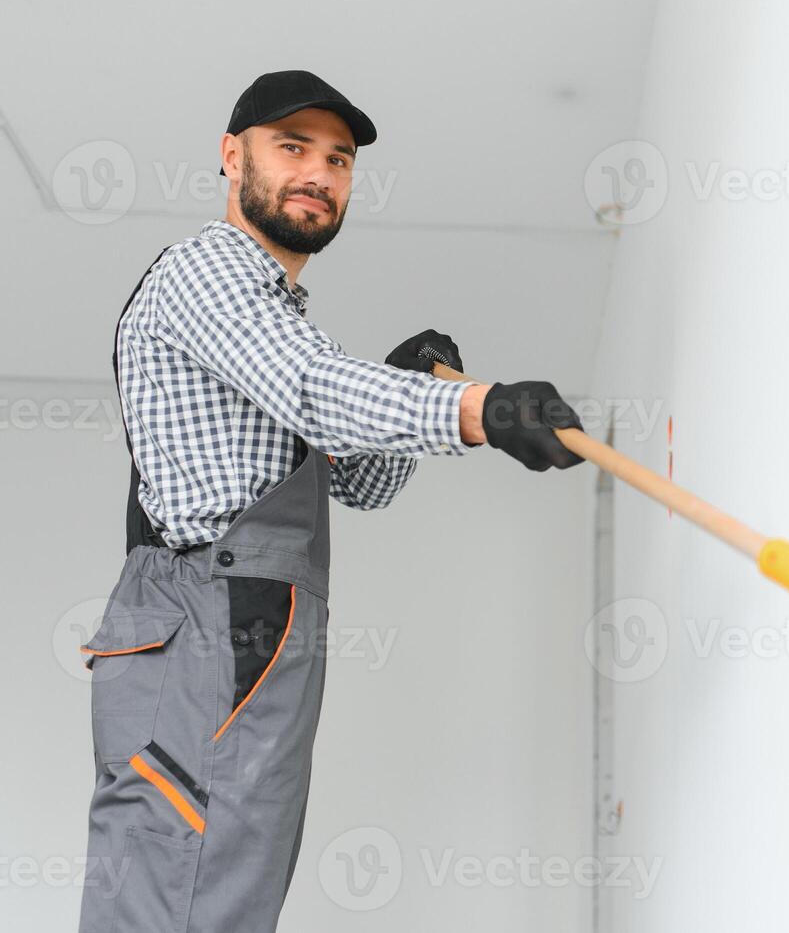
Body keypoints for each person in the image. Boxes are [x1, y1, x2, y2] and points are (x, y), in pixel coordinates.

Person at [77, 69, 583, 933]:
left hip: (255, 624)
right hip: (204, 621)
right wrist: (477, 408)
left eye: (338, 159)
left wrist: (404, 383)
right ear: (233, 157)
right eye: (292, 148)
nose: (318, 172)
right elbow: (316, 391)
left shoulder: (279, 316)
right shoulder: (209, 273)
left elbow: (356, 478)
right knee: (177, 888)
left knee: (225, 891)